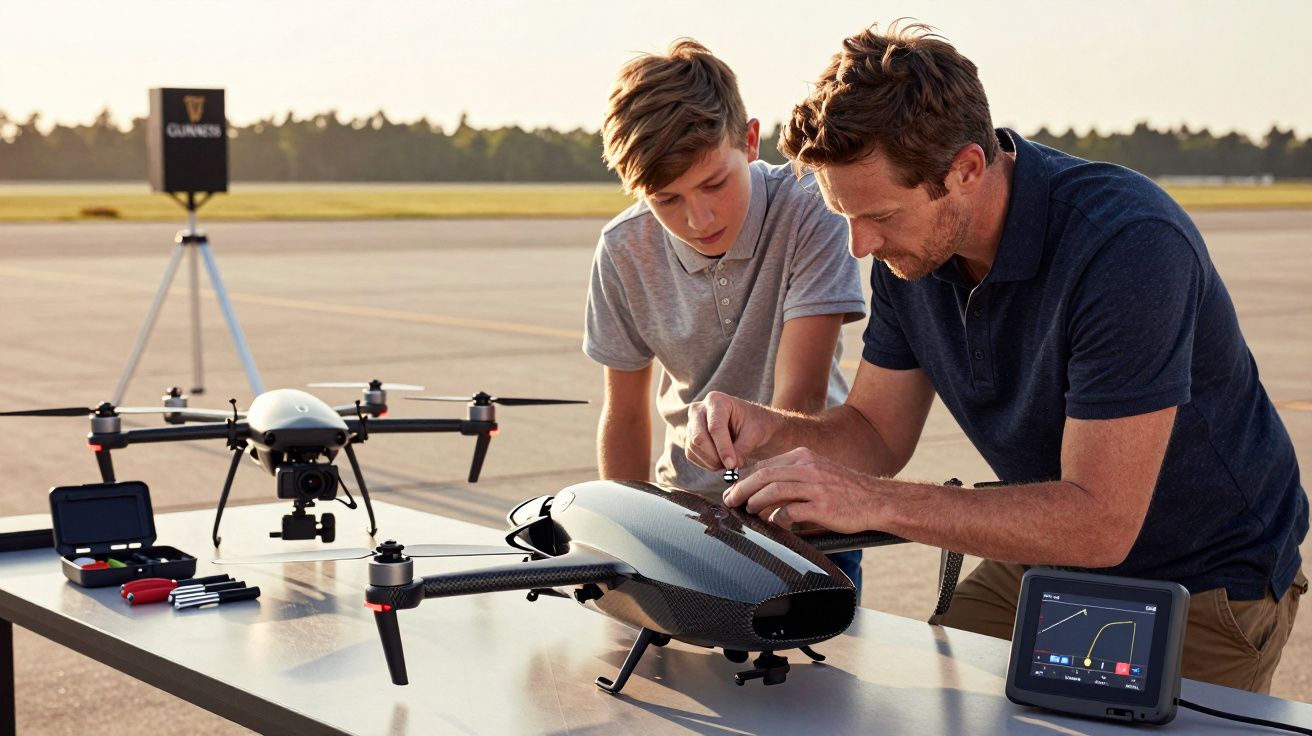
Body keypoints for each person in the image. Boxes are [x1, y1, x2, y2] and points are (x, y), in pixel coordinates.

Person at [686, 21, 1307, 694]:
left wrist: (872, 501)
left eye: (882, 217)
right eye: (845, 215)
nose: (860, 245)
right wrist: (769, 428)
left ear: (967, 170)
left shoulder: (1128, 246)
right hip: (1047, 547)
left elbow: (1101, 522)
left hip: (1204, 578)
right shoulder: (909, 254)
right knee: (931, 705)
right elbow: (874, 433)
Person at [583, 39, 868, 586]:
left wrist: (763, 535)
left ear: (751, 140)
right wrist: (622, 538)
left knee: (819, 669)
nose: (699, 217)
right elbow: (624, 413)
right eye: (667, 199)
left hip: (803, 510)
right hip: (687, 511)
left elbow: (801, 396)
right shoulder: (623, 249)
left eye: (715, 182)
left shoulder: (811, 208)